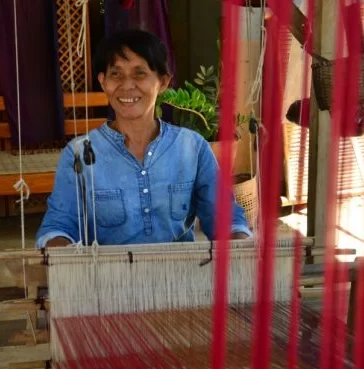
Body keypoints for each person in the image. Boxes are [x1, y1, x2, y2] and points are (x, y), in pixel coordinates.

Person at [36, 29, 252, 248]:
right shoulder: (80, 153)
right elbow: (59, 225)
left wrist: (240, 244)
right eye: (116, 74)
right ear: (103, 82)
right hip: (106, 270)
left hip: (180, 269)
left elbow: (225, 218)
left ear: (163, 82)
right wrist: (58, 247)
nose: (127, 85)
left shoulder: (192, 148)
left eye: (139, 74)